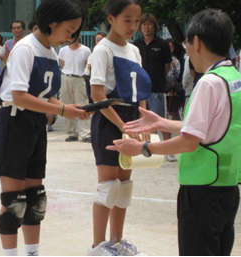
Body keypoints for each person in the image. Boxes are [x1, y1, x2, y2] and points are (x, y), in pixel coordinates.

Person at [107, 9, 241, 256]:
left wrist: (143, 148)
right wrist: (161, 122)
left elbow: (189, 142)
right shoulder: (235, 78)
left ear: (196, 42)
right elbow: (211, 128)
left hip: (202, 189)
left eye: (187, 42)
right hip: (227, 188)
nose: (186, 49)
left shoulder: (208, 82)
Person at [0, 0, 88, 255]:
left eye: (75, 32)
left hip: (35, 124)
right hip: (15, 121)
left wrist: (69, 107)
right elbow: (19, 95)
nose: (71, 37)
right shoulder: (25, 49)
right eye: (69, 30)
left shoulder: (51, 52)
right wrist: (63, 109)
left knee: (35, 198)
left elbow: (44, 96)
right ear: (52, 22)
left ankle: (33, 252)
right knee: (14, 202)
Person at [87, 0, 151, 255]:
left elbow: (141, 90)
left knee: (124, 186)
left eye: (137, 21)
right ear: (111, 18)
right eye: (127, 20)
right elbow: (97, 94)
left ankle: (116, 242)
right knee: (108, 187)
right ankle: (97, 246)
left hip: (132, 117)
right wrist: (124, 125)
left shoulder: (135, 50)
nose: (133, 26)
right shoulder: (102, 50)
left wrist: (144, 119)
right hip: (109, 118)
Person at [132, 13, 172, 161]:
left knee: (161, 120)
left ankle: (169, 150)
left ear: (154, 27)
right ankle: (143, 148)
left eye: (149, 24)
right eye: (143, 24)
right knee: (141, 120)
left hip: (157, 88)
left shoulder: (162, 45)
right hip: (139, 90)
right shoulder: (135, 45)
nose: (146, 27)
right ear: (140, 27)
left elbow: (166, 66)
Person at [58, 35, 92, 142]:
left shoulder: (86, 50)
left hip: (79, 78)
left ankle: (85, 133)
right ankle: (71, 132)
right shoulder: (63, 50)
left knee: (82, 104)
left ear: (79, 36)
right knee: (67, 104)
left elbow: (87, 66)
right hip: (66, 77)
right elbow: (62, 65)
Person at [85, 31, 107, 103]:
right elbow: (88, 67)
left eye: (101, 39)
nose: (99, 42)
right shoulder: (93, 53)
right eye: (97, 40)